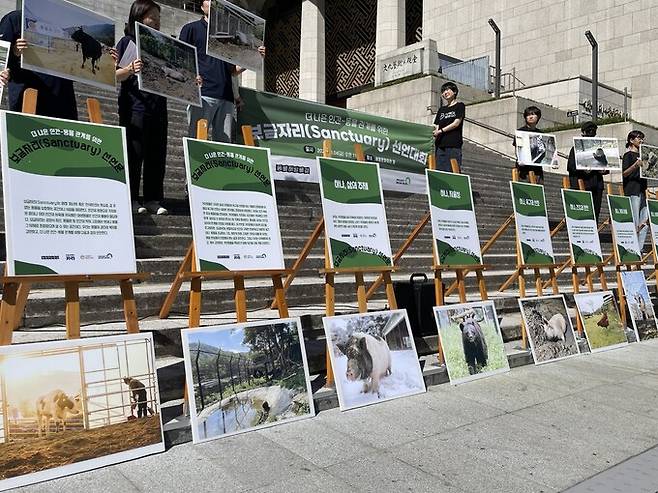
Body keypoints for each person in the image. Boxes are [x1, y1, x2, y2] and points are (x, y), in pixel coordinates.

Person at [179, 0, 265, 142]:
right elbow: (181, 55)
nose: (213, 3)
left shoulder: (228, 35)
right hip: (203, 94)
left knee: (224, 145)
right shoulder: (191, 29)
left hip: (226, 97)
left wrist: (257, 57)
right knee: (197, 140)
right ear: (202, 7)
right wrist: (191, 76)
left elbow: (233, 71)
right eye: (209, 1)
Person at [116, 0, 169, 215]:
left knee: (157, 154)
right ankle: (130, 198)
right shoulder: (128, 42)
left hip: (159, 106)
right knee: (134, 153)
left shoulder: (162, 47)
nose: (155, 23)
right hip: (135, 106)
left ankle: (153, 199)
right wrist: (130, 68)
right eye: (151, 18)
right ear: (138, 17)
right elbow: (114, 75)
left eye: (158, 20)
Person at [0, 10, 77, 119]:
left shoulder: (64, 25)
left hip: (63, 99)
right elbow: (1, 54)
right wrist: (15, 51)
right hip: (29, 98)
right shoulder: (15, 18)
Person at [567, 121, 609, 222]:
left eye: (593, 131)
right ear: (583, 132)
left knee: (595, 212)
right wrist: (584, 170)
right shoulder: (576, 148)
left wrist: (603, 170)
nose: (591, 133)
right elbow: (571, 166)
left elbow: (606, 166)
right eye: (589, 131)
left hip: (596, 185)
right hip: (581, 183)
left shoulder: (599, 150)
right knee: (581, 212)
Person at [622, 130, 648, 251]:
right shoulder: (628, 156)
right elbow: (625, 173)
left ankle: (640, 247)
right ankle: (632, 247)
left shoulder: (644, 156)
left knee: (645, 221)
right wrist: (635, 165)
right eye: (639, 138)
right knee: (635, 219)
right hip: (632, 190)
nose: (641, 140)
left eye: (642, 138)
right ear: (631, 140)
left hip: (642, 190)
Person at [432, 82, 465, 172]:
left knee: (453, 171)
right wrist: (435, 132)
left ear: (454, 91)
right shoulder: (441, 109)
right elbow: (436, 125)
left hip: (453, 144)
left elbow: (456, 123)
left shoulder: (460, 106)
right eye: (443, 91)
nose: (445, 93)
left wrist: (441, 131)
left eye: (447, 90)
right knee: (440, 171)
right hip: (440, 146)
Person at [513, 106, 544, 183]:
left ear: (538, 117)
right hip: (523, 171)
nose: (530, 117)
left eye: (533, 114)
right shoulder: (520, 132)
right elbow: (517, 149)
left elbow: (543, 151)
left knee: (537, 193)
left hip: (537, 170)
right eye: (528, 115)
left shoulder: (541, 134)